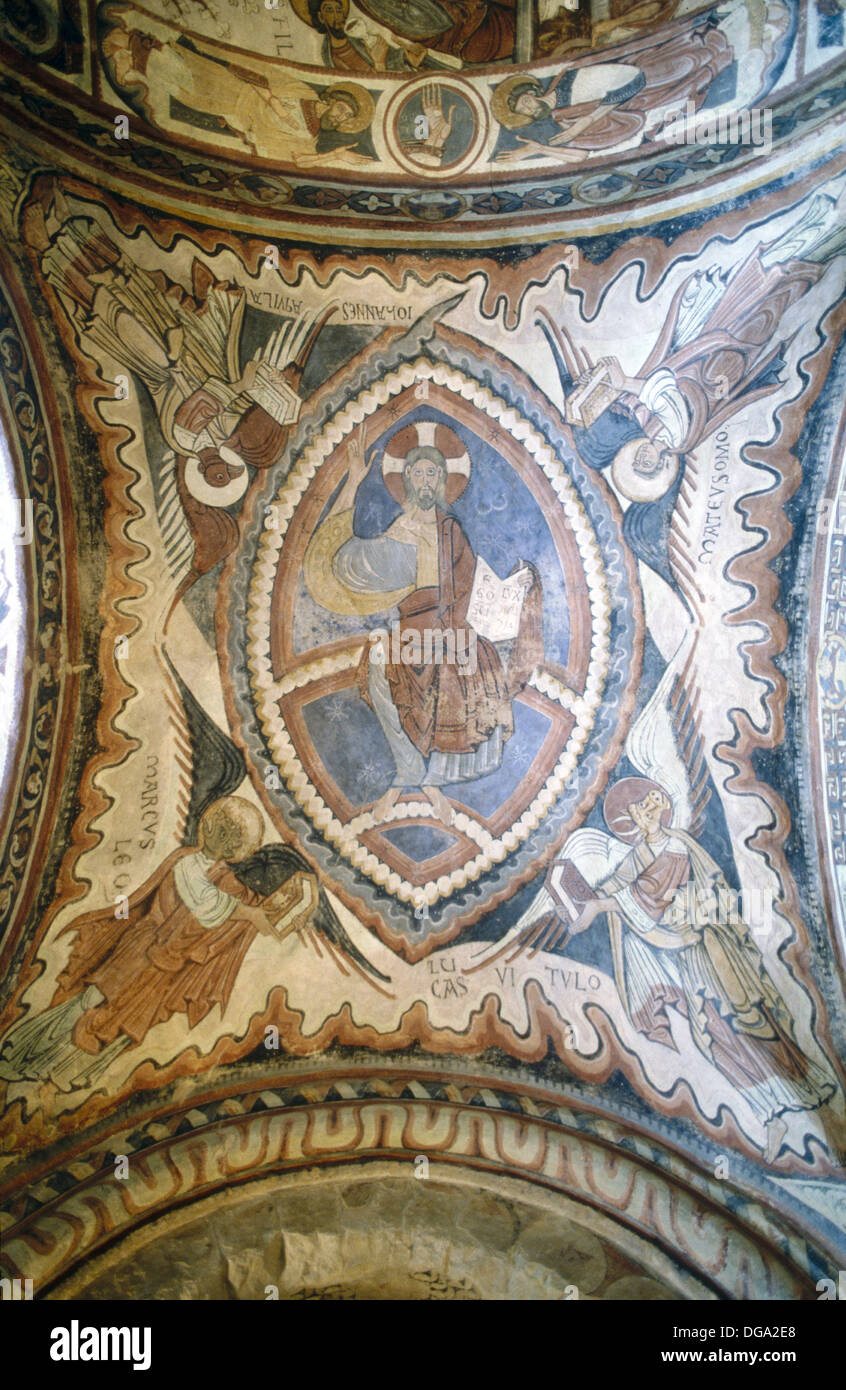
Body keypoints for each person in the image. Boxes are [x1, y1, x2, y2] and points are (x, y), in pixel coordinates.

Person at [555, 779, 835, 1163]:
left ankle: (804, 1086)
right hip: (687, 957)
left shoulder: (681, 845)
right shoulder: (638, 857)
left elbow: (711, 887)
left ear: (661, 807)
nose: (646, 816)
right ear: (631, 820)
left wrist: (690, 913)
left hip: (714, 946)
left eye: (650, 807)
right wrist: (588, 904)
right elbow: (615, 889)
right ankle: (768, 1112)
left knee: (751, 1018)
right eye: (638, 812)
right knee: (714, 1037)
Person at [303, 420, 543, 823]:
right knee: (379, 665)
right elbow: (339, 564)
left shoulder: (452, 531)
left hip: (453, 633)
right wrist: (354, 483)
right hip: (411, 633)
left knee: (467, 671)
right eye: (418, 471)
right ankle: (413, 774)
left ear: (444, 481)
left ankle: (423, 780)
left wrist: (514, 592)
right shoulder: (397, 532)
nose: (427, 478)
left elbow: (474, 592)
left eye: (434, 472)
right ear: (407, 480)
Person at [0, 798, 303, 1091]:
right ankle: (29, 1050)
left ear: (236, 850)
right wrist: (249, 914)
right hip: (143, 944)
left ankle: (56, 1067)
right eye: (219, 826)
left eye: (230, 835)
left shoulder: (223, 877)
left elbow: (215, 920)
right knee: (92, 999)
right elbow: (202, 902)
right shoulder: (187, 860)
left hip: (161, 964)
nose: (218, 834)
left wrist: (263, 914)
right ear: (207, 823)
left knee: (118, 1015)